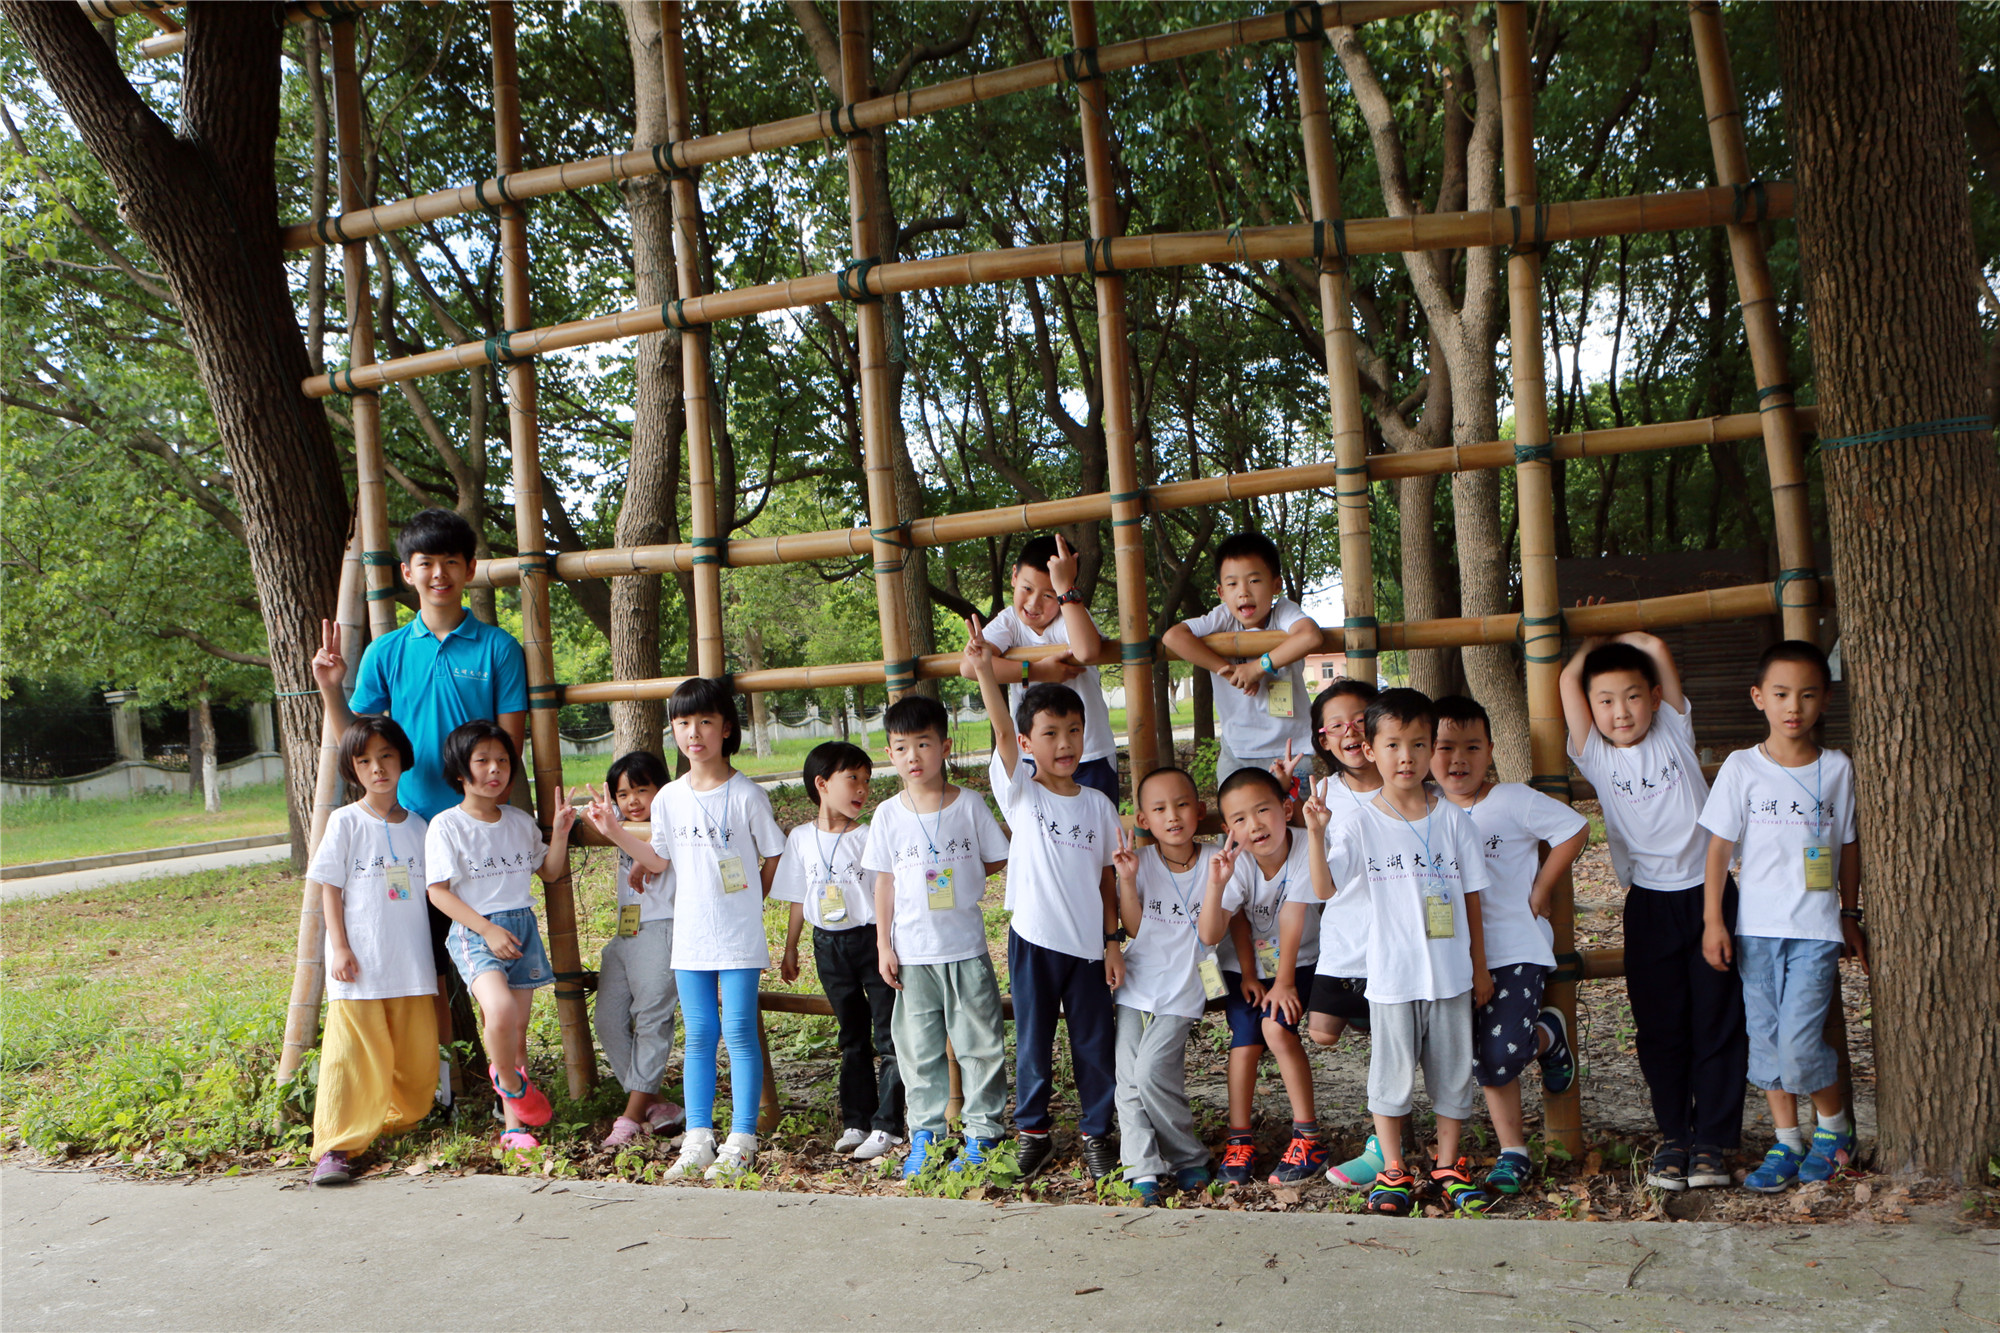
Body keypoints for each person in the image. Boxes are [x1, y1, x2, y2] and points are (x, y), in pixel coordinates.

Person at [311, 508, 528, 1105]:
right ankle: (441, 1090)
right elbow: (359, 745)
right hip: (406, 836)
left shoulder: (500, 648)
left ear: (470, 569)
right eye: (426, 563)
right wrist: (330, 687)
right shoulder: (385, 652)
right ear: (407, 572)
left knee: (502, 968)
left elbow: (510, 745)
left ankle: (512, 1095)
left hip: (477, 837)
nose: (439, 574)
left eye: (450, 562)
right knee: (424, 968)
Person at [1561, 627, 1746, 1192]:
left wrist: (1629, 632)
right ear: (1592, 709)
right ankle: (1675, 1137)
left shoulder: (1673, 731)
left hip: (1710, 894)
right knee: (1660, 1026)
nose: (1621, 711)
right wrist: (1590, 644)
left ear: (1656, 699)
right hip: (1648, 905)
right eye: (1606, 701)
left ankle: (1711, 1140)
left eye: (1633, 696)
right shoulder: (1595, 756)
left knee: (1717, 1019)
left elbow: (1659, 652)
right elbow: (1568, 680)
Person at [1309, 688, 1494, 1217]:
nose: (1406, 757)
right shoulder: (1360, 821)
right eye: (1392, 745)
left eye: (1417, 744)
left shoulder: (1454, 820)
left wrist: (1479, 968)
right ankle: (1393, 1169)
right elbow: (1324, 888)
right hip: (1391, 976)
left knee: (1453, 1075)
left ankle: (1448, 1166)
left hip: (1451, 975)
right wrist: (1317, 834)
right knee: (1390, 1078)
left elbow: (1472, 898)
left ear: (1432, 747)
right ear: (1370, 750)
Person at [1697, 641, 1864, 1193]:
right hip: (1756, 930)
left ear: (1825, 700)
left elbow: (1847, 845)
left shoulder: (1837, 769)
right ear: (1758, 698)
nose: (1794, 706)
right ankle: (1788, 1140)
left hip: (1814, 930)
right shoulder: (1742, 767)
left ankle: (1833, 1131)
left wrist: (1849, 912)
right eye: (1781, 693)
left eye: (1807, 694)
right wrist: (1714, 921)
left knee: (1799, 1041)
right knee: (1766, 1038)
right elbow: (1719, 850)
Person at [966, 617, 1124, 1181]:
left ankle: (1097, 1131)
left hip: (1087, 948)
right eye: (1051, 734)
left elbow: (1106, 879)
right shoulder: (1021, 792)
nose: (1065, 744)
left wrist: (1112, 942)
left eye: (1074, 731)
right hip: (1033, 939)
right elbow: (1002, 731)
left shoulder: (1099, 805)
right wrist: (986, 670)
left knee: (1094, 1043)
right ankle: (1033, 1132)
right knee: (1033, 1042)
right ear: (1028, 744)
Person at [1430, 694, 1589, 1197]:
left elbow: (1574, 828)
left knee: (1499, 1055)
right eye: (1445, 747)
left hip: (1515, 947)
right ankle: (1513, 1151)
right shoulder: (1425, 811)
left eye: (1472, 747)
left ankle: (1548, 1035)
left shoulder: (1513, 799)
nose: (1458, 759)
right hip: (1451, 956)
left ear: (1491, 751)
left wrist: (1542, 887)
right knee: (1479, 1058)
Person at [864, 694, 1011, 1178]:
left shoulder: (969, 805)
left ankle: (983, 1133)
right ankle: (926, 1135)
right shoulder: (888, 814)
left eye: (923, 744)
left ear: (945, 747)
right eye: (901, 747)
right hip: (912, 954)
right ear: (890, 753)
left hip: (965, 948)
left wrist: (963, 882)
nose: (913, 756)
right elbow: (884, 882)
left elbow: (996, 857)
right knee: (917, 1050)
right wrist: (884, 944)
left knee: (979, 1044)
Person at [652, 678, 787, 1183]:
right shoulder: (668, 797)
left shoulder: (747, 795)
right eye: (683, 722)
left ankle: (742, 1139)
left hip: (738, 938)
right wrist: (615, 830)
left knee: (738, 1031)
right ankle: (697, 1138)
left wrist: (753, 901)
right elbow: (659, 858)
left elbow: (774, 854)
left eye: (705, 721)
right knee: (700, 1034)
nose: (694, 732)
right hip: (690, 937)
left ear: (726, 728)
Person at [423, 720, 575, 1154]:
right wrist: (486, 930)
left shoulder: (519, 822)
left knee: (516, 1032)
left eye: (503, 761)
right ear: (460, 771)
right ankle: (507, 1080)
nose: (495, 769)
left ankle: (513, 1128)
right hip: (476, 932)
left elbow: (549, 872)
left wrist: (561, 830)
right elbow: (438, 893)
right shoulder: (446, 825)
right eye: (483, 761)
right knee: (501, 1011)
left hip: (522, 928)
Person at [308, 717, 438, 1186]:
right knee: (349, 1058)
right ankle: (337, 1147)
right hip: (358, 965)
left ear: (402, 759)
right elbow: (329, 888)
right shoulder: (344, 821)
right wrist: (340, 947)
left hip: (412, 963)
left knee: (416, 1061)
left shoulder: (421, 827)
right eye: (364, 761)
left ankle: (390, 1126)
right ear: (352, 769)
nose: (377, 768)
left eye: (385, 756)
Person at [773, 742, 905, 1163]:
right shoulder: (800, 838)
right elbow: (799, 897)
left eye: (867, 780)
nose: (863, 788)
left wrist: (886, 944)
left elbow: (886, 892)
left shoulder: (868, 836)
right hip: (827, 944)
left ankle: (889, 1124)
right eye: (853, 779)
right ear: (822, 784)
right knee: (851, 1035)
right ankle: (856, 1121)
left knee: (888, 1034)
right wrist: (791, 947)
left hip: (871, 940)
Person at [1197, 767, 1325, 1186]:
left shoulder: (1305, 845)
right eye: (1240, 818)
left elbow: (1293, 915)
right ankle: (1239, 1141)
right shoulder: (1237, 863)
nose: (1254, 825)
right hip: (1246, 968)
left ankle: (1308, 1138)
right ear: (1228, 830)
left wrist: (1284, 982)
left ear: (1286, 809)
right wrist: (1216, 885)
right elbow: (1214, 932)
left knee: (1275, 1028)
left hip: (1300, 962)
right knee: (1245, 1042)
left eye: (1263, 810)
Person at [1292, 679, 1392, 1190]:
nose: (1350, 731)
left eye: (1360, 720)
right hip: (1344, 940)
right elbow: (1317, 879)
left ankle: (1384, 1146)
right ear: (1323, 739)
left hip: (1394, 943)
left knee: (1390, 1045)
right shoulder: (1324, 793)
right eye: (1337, 725)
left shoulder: (1403, 781)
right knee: (1323, 1033)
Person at [1108, 767, 1219, 1205]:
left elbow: (1214, 932)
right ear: (1143, 819)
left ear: (1200, 810)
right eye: (1159, 809)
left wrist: (1218, 883)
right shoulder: (1140, 861)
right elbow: (1135, 928)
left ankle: (1187, 1155)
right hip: (1137, 984)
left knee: (1152, 1072)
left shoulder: (1217, 861)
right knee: (1128, 1081)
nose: (1172, 816)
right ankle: (1142, 1168)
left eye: (1182, 804)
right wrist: (1128, 879)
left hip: (1185, 987)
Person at [958, 534, 1120, 805]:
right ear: (1014, 576)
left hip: (1089, 753)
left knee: (1097, 826)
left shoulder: (1070, 614)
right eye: (1027, 588)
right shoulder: (1010, 621)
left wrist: (1066, 587)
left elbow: (1087, 651)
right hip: (1035, 758)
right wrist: (1037, 672)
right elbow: (969, 667)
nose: (1034, 604)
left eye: (1049, 595)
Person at [579, 750, 684, 1149]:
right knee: (608, 1020)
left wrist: (614, 828)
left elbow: (656, 863)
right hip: (625, 932)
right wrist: (604, 816)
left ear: (662, 790)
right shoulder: (622, 823)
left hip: (661, 929)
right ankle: (656, 1104)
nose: (633, 801)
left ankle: (631, 1115)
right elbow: (591, 818)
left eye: (642, 790)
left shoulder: (672, 822)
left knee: (651, 1019)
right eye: (623, 794)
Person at [1160, 531, 1321, 787]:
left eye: (1254, 580)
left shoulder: (1283, 612)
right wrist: (1228, 671)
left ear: (1276, 585)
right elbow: (1173, 637)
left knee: (1295, 813)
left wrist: (1258, 668)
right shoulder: (1223, 617)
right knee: (1235, 812)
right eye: (1232, 584)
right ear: (1221, 592)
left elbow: (1310, 636)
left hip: (1291, 750)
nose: (1243, 592)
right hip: (1237, 751)